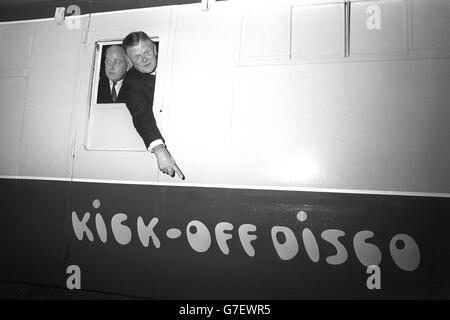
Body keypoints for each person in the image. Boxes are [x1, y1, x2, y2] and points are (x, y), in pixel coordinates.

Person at [122, 31, 184, 180]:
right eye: (137, 56)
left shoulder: (175, 60)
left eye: (147, 52)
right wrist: (159, 150)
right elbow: (141, 114)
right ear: (130, 61)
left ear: (155, 49)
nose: (144, 59)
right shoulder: (131, 83)